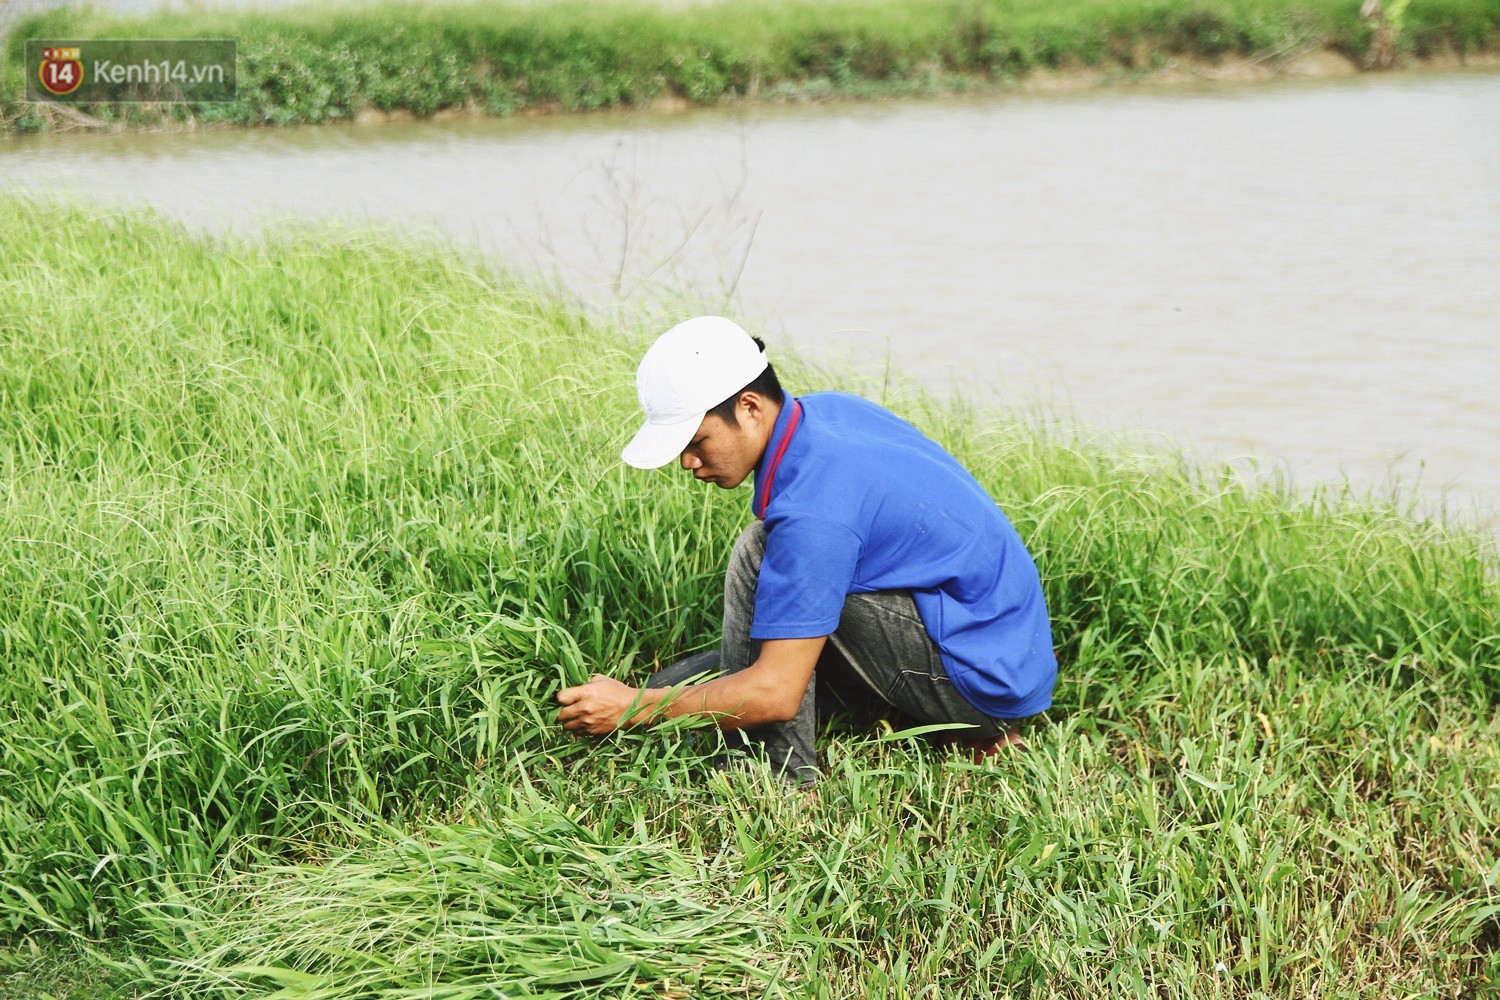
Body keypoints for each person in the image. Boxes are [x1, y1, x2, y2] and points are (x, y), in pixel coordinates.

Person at [555, 316, 1057, 786]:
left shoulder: (814, 513)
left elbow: (775, 693)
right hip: (995, 644)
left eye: (697, 441)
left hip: (980, 680)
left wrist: (635, 709)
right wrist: (648, 697)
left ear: (750, 407)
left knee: (759, 556)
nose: (688, 462)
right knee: (675, 681)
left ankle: (777, 780)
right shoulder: (827, 413)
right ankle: (883, 711)